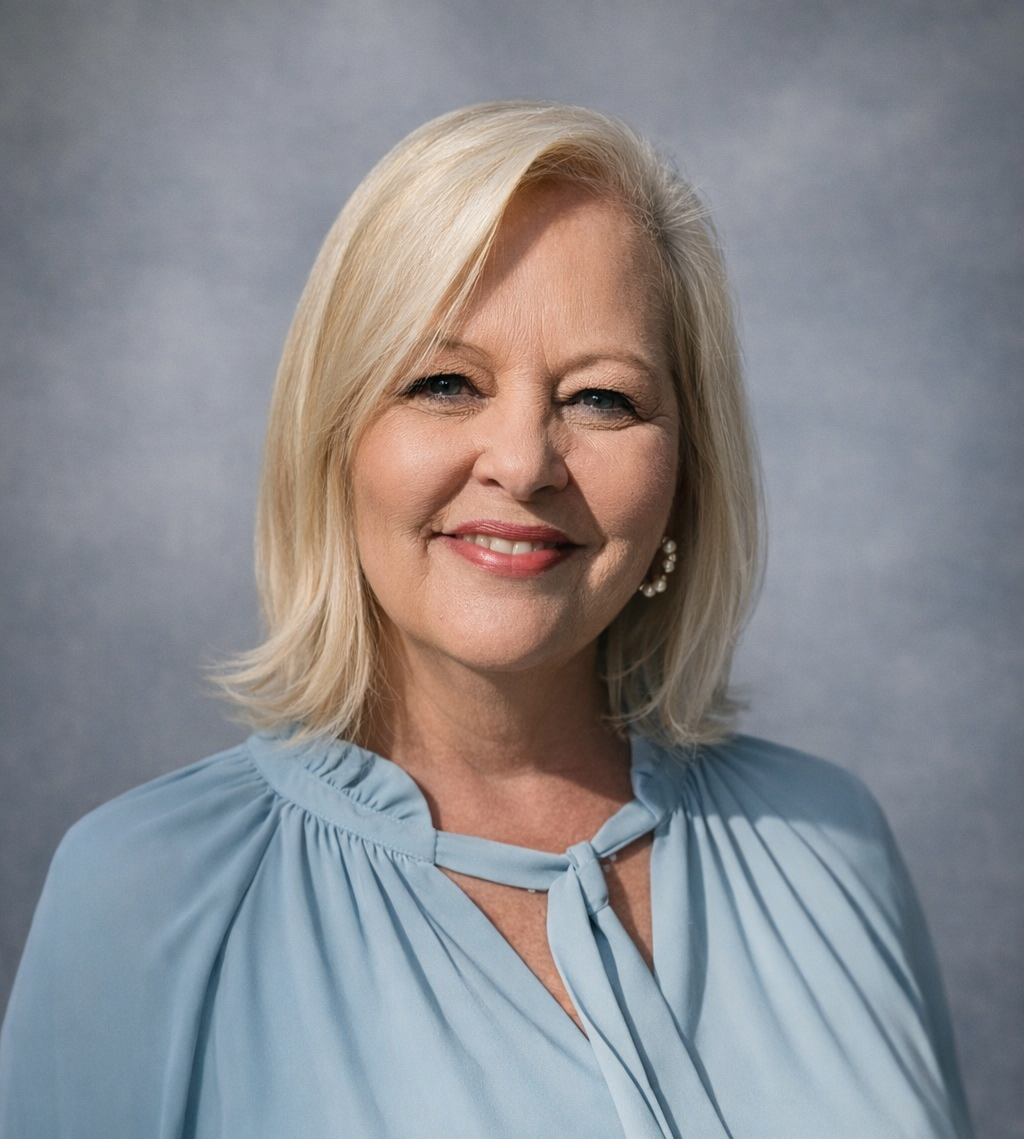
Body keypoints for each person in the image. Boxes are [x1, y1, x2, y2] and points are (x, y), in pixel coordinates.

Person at [0, 101, 972, 1138]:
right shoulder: (142, 896)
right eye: (445, 381)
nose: (521, 461)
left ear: (684, 471)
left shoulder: (830, 841)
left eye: (601, 398)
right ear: (333, 441)